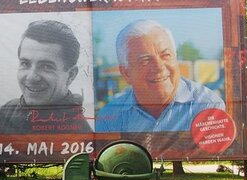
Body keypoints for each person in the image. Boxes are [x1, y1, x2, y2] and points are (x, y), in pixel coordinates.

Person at [94, 19, 224, 132]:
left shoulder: (208, 106)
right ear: (126, 73)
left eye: (166, 55)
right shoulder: (109, 118)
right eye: (145, 60)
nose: (159, 67)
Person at [0, 19, 92, 134]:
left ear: (70, 75)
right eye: (25, 63)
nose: (31, 77)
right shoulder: (5, 113)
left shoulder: (81, 135)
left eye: (46, 66)